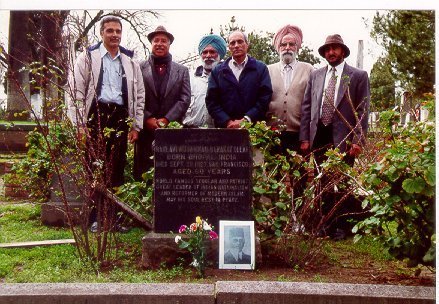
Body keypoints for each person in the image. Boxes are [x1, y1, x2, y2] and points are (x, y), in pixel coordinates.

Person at [67, 16, 145, 232]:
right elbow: (76, 91)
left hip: (120, 117)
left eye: (118, 31)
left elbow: (139, 95)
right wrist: (80, 124)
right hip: (96, 116)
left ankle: (115, 219)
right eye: (110, 30)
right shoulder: (88, 57)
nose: (114, 35)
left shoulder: (130, 61)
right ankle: (95, 218)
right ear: (101, 33)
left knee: (117, 169)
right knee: (94, 168)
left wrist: (135, 125)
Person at [299, 34, 370, 239]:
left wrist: (358, 141)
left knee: (342, 182)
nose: (331, 52)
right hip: (319, 134)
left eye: (335, 48)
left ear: (343, 51)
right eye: (327, 49)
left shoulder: (358, 76)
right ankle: (323, 225)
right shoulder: (316, 75)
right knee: (322, 181)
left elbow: (363, 110)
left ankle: (340, 226)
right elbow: (307, 108)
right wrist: (305, 137)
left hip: (344, 138)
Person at [133, 25, 191, 180]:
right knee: (143, 175)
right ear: (151, 44)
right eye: (156, 40)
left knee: (171, 175)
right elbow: (133, 96)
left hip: (171, 131)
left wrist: (167, 120)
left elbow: (184, 99)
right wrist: (147, 118)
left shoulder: (182, 71)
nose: (159, 43)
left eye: (163, 41)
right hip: (145, 132)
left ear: (169, 44)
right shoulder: (138, 67)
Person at [206, 31, 272, 128]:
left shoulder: (260, 68)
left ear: (247, 44)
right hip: (225, 130)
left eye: (240, 42)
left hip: (253, 129)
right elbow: (211, 101)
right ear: (229, 47)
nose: (236, 45)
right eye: (232, 43)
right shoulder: (218, 71)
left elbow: (265, 98)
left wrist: (246, 119)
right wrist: (227, 122)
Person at [267, 24, 314, 153]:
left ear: (297, 47)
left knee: (298, 171)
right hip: (272, 133)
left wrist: (306, 136)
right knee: (274, 172)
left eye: (291, 44)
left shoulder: (308, 69)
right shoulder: (267, 70)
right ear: (278, 47)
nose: (287, 48)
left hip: (299, 134)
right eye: (283, 45)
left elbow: (312, 103)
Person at [182, 34, 227, 128]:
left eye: (212, 52)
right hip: (191, 134)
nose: (208, 56)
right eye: (204, 52)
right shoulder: (189, 78)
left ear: (220, 54)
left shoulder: (228, 77)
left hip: (221, 133)